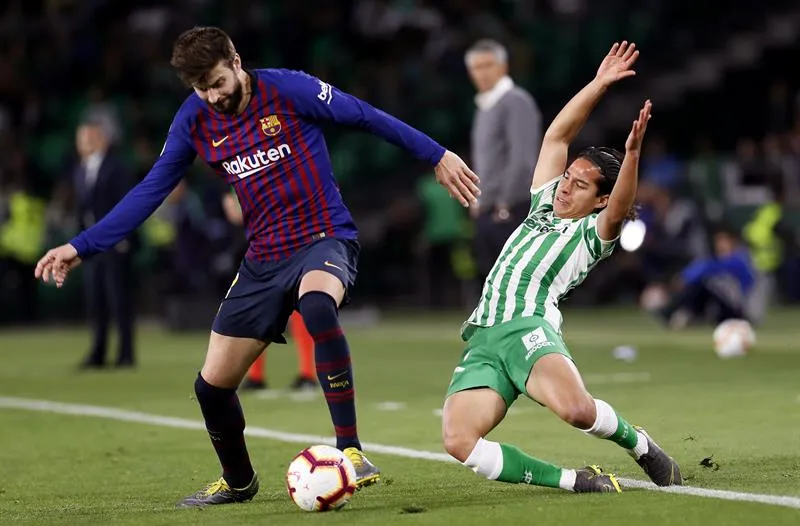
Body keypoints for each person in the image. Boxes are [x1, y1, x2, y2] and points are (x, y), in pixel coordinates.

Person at [35, 26, 480, 507]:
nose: (213, 96)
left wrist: (436, 154)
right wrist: (81, 246)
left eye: (217, 82)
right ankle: (238, 480)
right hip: (263, 257)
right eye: (200, 88)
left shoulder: (289, 89)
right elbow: (151, 190)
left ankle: (350, 450)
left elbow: (365, 115)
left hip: (323, 236)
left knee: (317, 306)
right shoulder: (193, 120)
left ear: (236, 61)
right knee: (211, 388)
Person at [441, 41, 683, 494]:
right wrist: (599, 84)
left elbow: (622, 205)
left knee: (576, 411)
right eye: (567, 177)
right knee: (458, 441)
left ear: (601, 198)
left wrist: (632, 155)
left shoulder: (593, 234)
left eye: (580, 185)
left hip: (527, 326)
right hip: (484, 336)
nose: (565, 188)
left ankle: (639, 444)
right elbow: (556, 137)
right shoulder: (543, 204)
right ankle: (575, 481)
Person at [221, 191, 316, 391]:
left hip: (287, 244)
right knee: (259, 311)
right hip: (263, 246)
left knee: (295, 308)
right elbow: (233, 211)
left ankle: (307, 374)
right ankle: (257, 376)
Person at [465, 39, 542, 287]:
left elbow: (523, 158)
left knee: (514, 284)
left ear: (503, 66)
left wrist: (505, 202)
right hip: (489, 208)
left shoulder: (516, 101)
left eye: (488, 65)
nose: (482, 73)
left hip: (510, 207)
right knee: (493, 283)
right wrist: (479, 200)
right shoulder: (484, 106)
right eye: (476, 67)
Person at [72, 117, 139, 369]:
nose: (85, 143)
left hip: (114, 244)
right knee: (96, 300)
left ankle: (126, 354)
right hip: (90, 246)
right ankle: (97, 353)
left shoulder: (117, 168)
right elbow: (83, 210)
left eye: (90, 138)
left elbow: (127, 204)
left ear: (103, 140)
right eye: (82, 139)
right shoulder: (80, 169)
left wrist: (123, 239)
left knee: (119, 300)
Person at [658, 227, 756, 329]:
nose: (720, 244)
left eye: (723, 240)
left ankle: (673, 312)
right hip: (721, 304)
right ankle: (683, 313)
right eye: (718, 241)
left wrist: (686, 277)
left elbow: (710, 267)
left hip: (737, 307)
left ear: (732, 241)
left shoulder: (739, 259)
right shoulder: (719, 259)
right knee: (702, 287)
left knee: (704, 283)